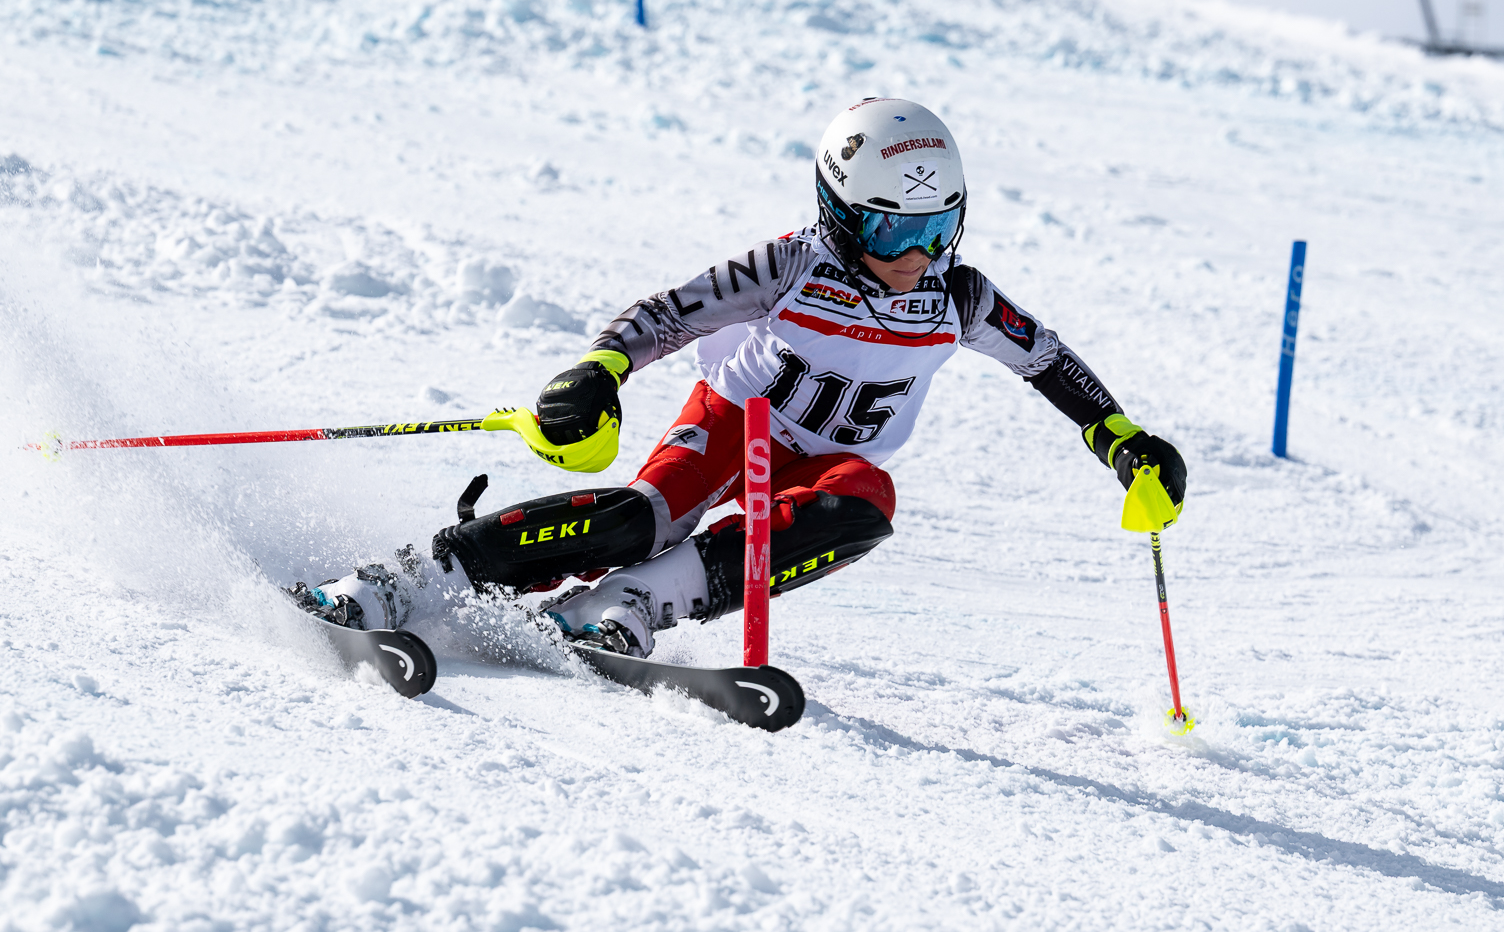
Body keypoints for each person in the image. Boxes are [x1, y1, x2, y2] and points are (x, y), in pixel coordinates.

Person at [294, 99, 1187, 656]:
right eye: (888, 232)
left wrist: (1121, 438)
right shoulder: (793, 265)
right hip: (734, 421)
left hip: (818, 462)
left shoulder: (957, 295)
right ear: (839, 217)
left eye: (936, 225)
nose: (915, 255)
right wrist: (599, 372)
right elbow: (668, 313)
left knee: (867, 499)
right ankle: (411, 576)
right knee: (644, 517)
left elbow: (1047, 361)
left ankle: (627, 606)